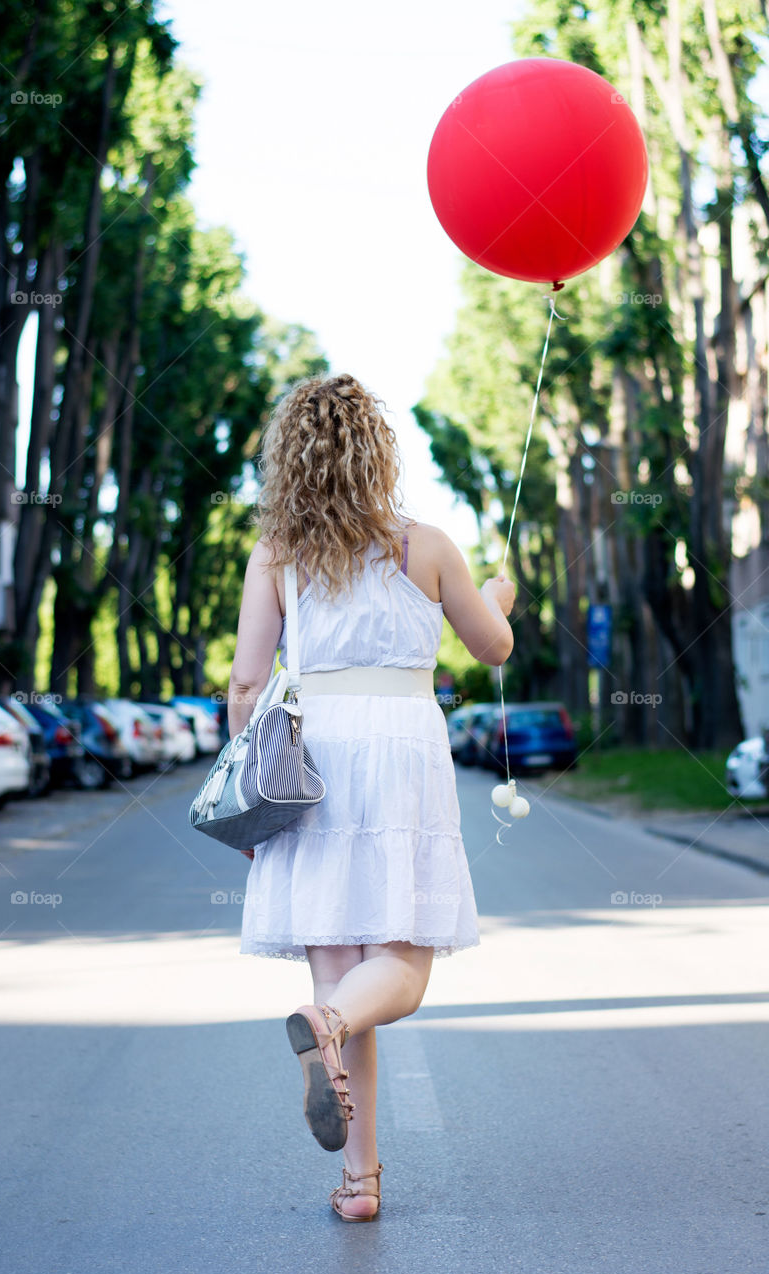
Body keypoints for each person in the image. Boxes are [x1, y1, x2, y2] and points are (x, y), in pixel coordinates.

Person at [226, 373, 515, 1222]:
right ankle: (329, 1053)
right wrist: (498, 596)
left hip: (309, 753)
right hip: (401, 748)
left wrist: (250, 795)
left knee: (341, 981)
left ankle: (360, 1183)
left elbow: (247, 681)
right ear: (375, 451)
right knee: (399, 970)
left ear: (291, 459)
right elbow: (491, 647)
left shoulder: (277, 552)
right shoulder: (423, 544)